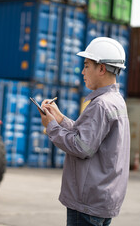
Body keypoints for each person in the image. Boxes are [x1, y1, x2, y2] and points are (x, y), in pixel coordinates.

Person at [39, 37, 130, 226]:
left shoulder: (101, 105)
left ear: (102, 68)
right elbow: (90, 137)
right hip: (102, 197)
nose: (82, 71)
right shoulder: (116, 100)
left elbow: (82, 147)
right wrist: (60, 119)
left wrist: (51, 127)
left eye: (86, 65)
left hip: (88, 201)